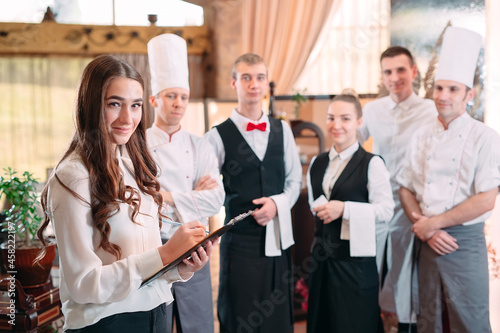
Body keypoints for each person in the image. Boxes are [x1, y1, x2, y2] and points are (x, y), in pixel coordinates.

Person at [35, 55, 216, 332]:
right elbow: (84, 285)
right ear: (91, 104)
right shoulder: (73, 176)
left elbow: (145, 263)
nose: (127, 118)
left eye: (135, 106)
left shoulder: (133, 167)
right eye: (114, 104)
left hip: (155, 315)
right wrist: (166, 254)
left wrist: (181, 266)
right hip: (109, 323)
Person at [397, 27, 500, 333]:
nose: (443, 96)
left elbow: (486, 198)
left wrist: (434, 224)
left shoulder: (486, 137)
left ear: (469, 95)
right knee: (430, 322)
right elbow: (406, 187)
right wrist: (425, 228)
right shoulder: (421, 134)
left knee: (471, 322)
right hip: (428, 242)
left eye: (453, 90)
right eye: (439, 88)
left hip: (463, 244)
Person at [204, 53, 302, 333]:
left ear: (267, 84)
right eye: (246, 77)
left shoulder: (282, 129)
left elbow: (294, 181)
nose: (253, 84)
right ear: (233, 83)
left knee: (276, 317)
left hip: (277, 237)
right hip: (238, 243)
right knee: (239, 313)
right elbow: (209, 190)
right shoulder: (216, 136)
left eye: (260, 77)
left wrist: (276, 203)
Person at [146, 33, 224, 333]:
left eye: (183, 97)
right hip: (153, 247)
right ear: (154, 99)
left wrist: (164, 196)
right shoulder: (136, 144)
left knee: (198, 323)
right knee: (157, 323)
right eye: (170, 96)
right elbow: (138, 199)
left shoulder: (200, 144)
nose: (178, 104)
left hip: (195, 245)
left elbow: (216, 199)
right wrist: (191, 197)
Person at [358, 46, 437, 331]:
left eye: (401, 70)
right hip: (376, 204)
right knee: (369, 269)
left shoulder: (430, 110)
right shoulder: (372, 110)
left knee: (408, 274)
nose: (394, 77)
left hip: (412, 207)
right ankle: (369, 323)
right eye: (388, 72)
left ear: (413, 72)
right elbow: (352, 145)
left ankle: (407, 326)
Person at [306, 92, 394, 333]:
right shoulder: (317, 162)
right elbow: (314, 204)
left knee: (355, 324)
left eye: (345, 119)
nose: (337, 125)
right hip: (322, 261)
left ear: (359, 122)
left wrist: (345, 209)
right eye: (331, 118)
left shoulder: (372, 163)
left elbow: (386, 210)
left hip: (355, 264)